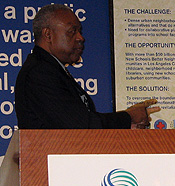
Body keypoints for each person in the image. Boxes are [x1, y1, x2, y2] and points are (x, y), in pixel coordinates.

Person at [15, 4, 160, 129]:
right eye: (72, 31)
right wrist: (128, 117)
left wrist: (128, 123)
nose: (80, 37)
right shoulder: (40, 72)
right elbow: (81, 125)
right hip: (49, 160)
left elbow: (79, 124)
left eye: (79, 31)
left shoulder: (51, 69)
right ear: (48, 35)